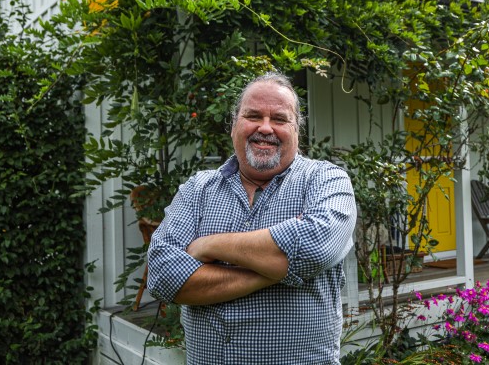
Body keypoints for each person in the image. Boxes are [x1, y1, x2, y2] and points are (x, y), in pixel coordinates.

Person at [147, 71, 357, 364]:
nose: (266, 128)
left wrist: (208, 246)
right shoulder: (198, 189)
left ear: (297, 130)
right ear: (234, 125)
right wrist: (279, 269)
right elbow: (163, 275)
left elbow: (315, 247)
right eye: (253, 115)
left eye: (280, 119)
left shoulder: (325, 180)